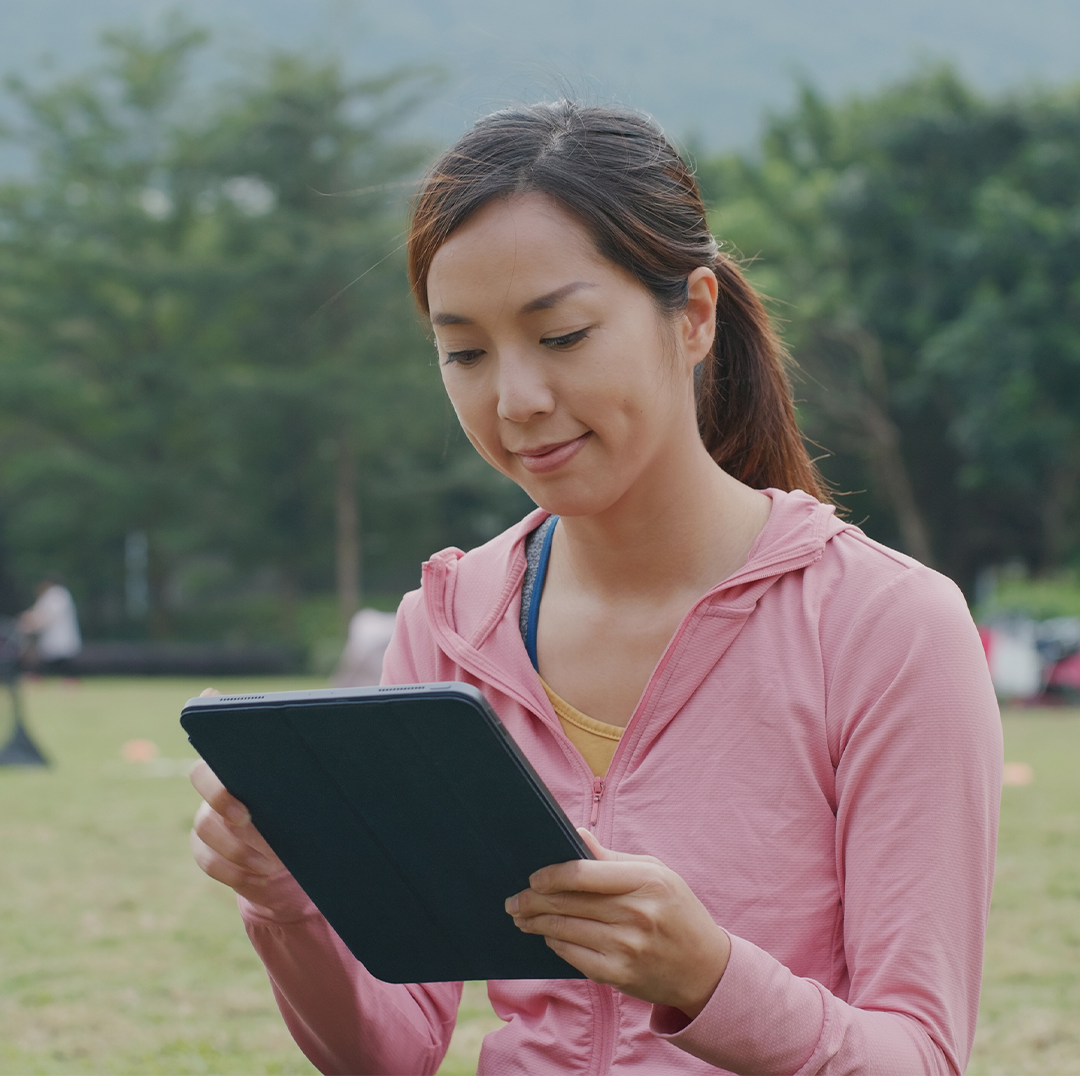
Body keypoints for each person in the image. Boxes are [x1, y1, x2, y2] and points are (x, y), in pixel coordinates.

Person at [189, 102, 1002, 1075]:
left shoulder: (887, 626)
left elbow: (920, 1056)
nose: (515, 400)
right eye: (465, 351)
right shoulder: (447, 628)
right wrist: (289, 901)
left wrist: (709, 980)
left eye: (563, 335)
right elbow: (391, 1053)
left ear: (694, 314)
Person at [19, 576, 81, 676]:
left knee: (60, 664)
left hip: (59, 640)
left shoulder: (55, 595)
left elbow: (45, 616)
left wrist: (29, 622)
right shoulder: (57, 595)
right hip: (55, 642)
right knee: (56, 664)